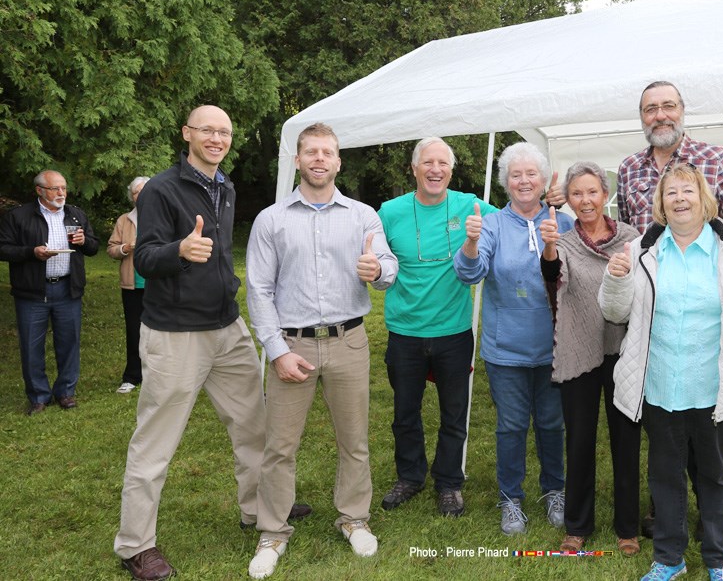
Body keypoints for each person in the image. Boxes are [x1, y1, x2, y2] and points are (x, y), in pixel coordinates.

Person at [113, 105, 309, 581]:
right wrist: (180, 251)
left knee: (253, 426)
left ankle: (257, 511)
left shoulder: (225, 186)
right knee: (155, 443)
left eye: (224, 132)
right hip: (175, 335)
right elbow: (146, 256)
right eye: (208, 130)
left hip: (227, 327)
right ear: (187, 134)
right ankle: (136, 546)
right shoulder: (162, 188)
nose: (217, 138)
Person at [599, 163, 723, 581]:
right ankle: (669, 559)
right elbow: (613, 313)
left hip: (718, 387)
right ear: (661, 204)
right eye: (671, 193)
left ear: (704, 200)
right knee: (664, 478)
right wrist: (615, 279)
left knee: (716, 477)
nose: (680, 199)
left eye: (688, 191)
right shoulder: (642, 253)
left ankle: (719, 561)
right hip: (661, 387)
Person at [245, 123, 398, 579]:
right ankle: (272, 530)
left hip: (349, 342)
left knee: (354, 441)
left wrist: (378, 269)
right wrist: (276, 350)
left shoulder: (363, 215)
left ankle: (354, 518)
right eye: (310, 152)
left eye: (327, 152)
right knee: (279, 447)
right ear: (297, 161)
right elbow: (258, 290)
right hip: (292, 345)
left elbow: (388, 266)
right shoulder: (271, 219)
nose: (318, 159)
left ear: (337, 162)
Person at [376, 137, 500, 518]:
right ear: (413, 169)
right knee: (404, 412)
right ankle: (410, 476)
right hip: (406, 330)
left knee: (454, 412)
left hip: (454, 330)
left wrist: (553, 201)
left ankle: (449, 483)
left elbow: (517, 217)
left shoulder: (471, 206)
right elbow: (373, 254)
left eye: (442, 163)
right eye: (427, 162)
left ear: (451, 169)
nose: (435, 169)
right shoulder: (389, 211)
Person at [454, 142, 573, 535]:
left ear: (543, 181)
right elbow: (470, 274)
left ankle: (555, 490)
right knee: (510, 426)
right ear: (506, 182)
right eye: (516, 175)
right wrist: (470, 242)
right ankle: (511, 498)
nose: (524, 181)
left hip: (555, 349)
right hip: (506, 351)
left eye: (531, 174)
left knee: (553, 424)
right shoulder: (490, 225)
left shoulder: (563, 222)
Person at [539, 161, 642, 555]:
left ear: (605, 194)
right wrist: (549, 246)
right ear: (569, 197)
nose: (585, 201)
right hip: (578, 350)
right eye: (577, 193)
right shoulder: (563, 242)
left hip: (624, 352)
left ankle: (627, 527)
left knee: (626, 440)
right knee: (580, 441)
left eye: (592, 192)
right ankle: (578, 526)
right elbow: (552, 278)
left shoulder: (631, 238)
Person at [615, 80, 723, 234]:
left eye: (668, 106)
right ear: (642, 117)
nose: (660, 116)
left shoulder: (716, 160)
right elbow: (628, 232)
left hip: (701, 266)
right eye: (650, 109)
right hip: (647, 267)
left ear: (682, 111)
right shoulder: (629, 168)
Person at [0, 170, 99, 415]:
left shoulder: (76, 215)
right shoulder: (18, 216)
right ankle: (38, 396)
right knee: (32, 345)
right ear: (40, 191)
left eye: (64, 188)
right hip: (33, 291)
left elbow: (94, 247)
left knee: (69, 342)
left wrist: (83, 241)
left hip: (68, 289)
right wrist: (31, 252)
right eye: (55, 189)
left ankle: (65, 392)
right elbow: (3, 249)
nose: (61, 193)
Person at [107, 176, 150, 394]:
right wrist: (127, 247)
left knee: (161, 331)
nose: (140, 195)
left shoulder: (164, 215)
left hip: (160, 284)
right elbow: (112, 249)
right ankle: (132, 376)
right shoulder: (124, 220)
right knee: (134, 331)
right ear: (131, 197)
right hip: (133, 285)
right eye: (136, 192)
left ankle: (157, 375)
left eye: (144, 190)